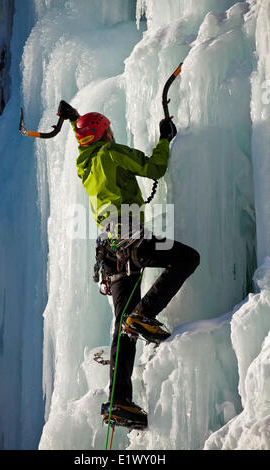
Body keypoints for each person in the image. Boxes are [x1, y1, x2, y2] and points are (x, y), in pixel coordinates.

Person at [60, 103, 200, 429]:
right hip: (133, 241)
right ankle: (145, 313)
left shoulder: (85, 165)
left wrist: (71, 120)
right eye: (108, 130)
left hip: (110, 253)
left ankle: (119, 400)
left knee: (122, 327)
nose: (112, 132)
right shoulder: (109, 151)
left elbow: (85, 136)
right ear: (105, 134)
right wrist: (165, 139)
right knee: (186, 258)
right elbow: (153, 169)